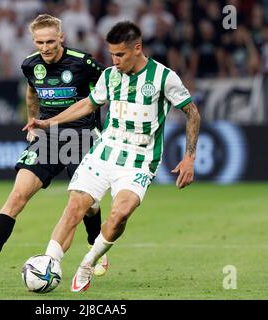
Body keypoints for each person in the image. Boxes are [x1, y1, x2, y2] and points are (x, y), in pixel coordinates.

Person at [24, 21, 201, 292]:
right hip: (104, 153)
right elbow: (87, 104)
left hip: (139, 160)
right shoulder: (109, 76)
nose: (114, 61)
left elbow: (192, 113)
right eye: (111, 55)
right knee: (74, 207)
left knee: (120, 215)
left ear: (137, 48)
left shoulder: (164, 77)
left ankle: (88, 263)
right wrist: (48, 123)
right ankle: (48, 264)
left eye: (120, 55)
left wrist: (189, 157)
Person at [0, 14, 108, 285]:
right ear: (33, 41)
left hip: (83, 137)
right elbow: (32, 92)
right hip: (48, 137)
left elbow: (109, 88)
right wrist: (32, 126)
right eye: (40, 42)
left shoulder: (84, 62)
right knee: (17, 196)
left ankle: (94, 245)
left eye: (51, 41)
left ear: (61, 38)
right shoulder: (30, 65)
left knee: (88, 204)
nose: (46, 47)